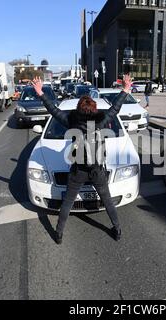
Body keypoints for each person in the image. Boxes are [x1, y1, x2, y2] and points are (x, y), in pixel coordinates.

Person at [32, 74, 133, 245]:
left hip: (78, 170)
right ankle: (117, 229)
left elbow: (54, 110)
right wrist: (125, 89)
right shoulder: (101, 122)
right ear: (94, 109)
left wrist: (41, 93)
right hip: (97, 170)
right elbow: (115, 108)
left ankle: (59, 233)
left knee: (68, 202)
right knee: (108, 201)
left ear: (78, 109)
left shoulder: (71, 121)